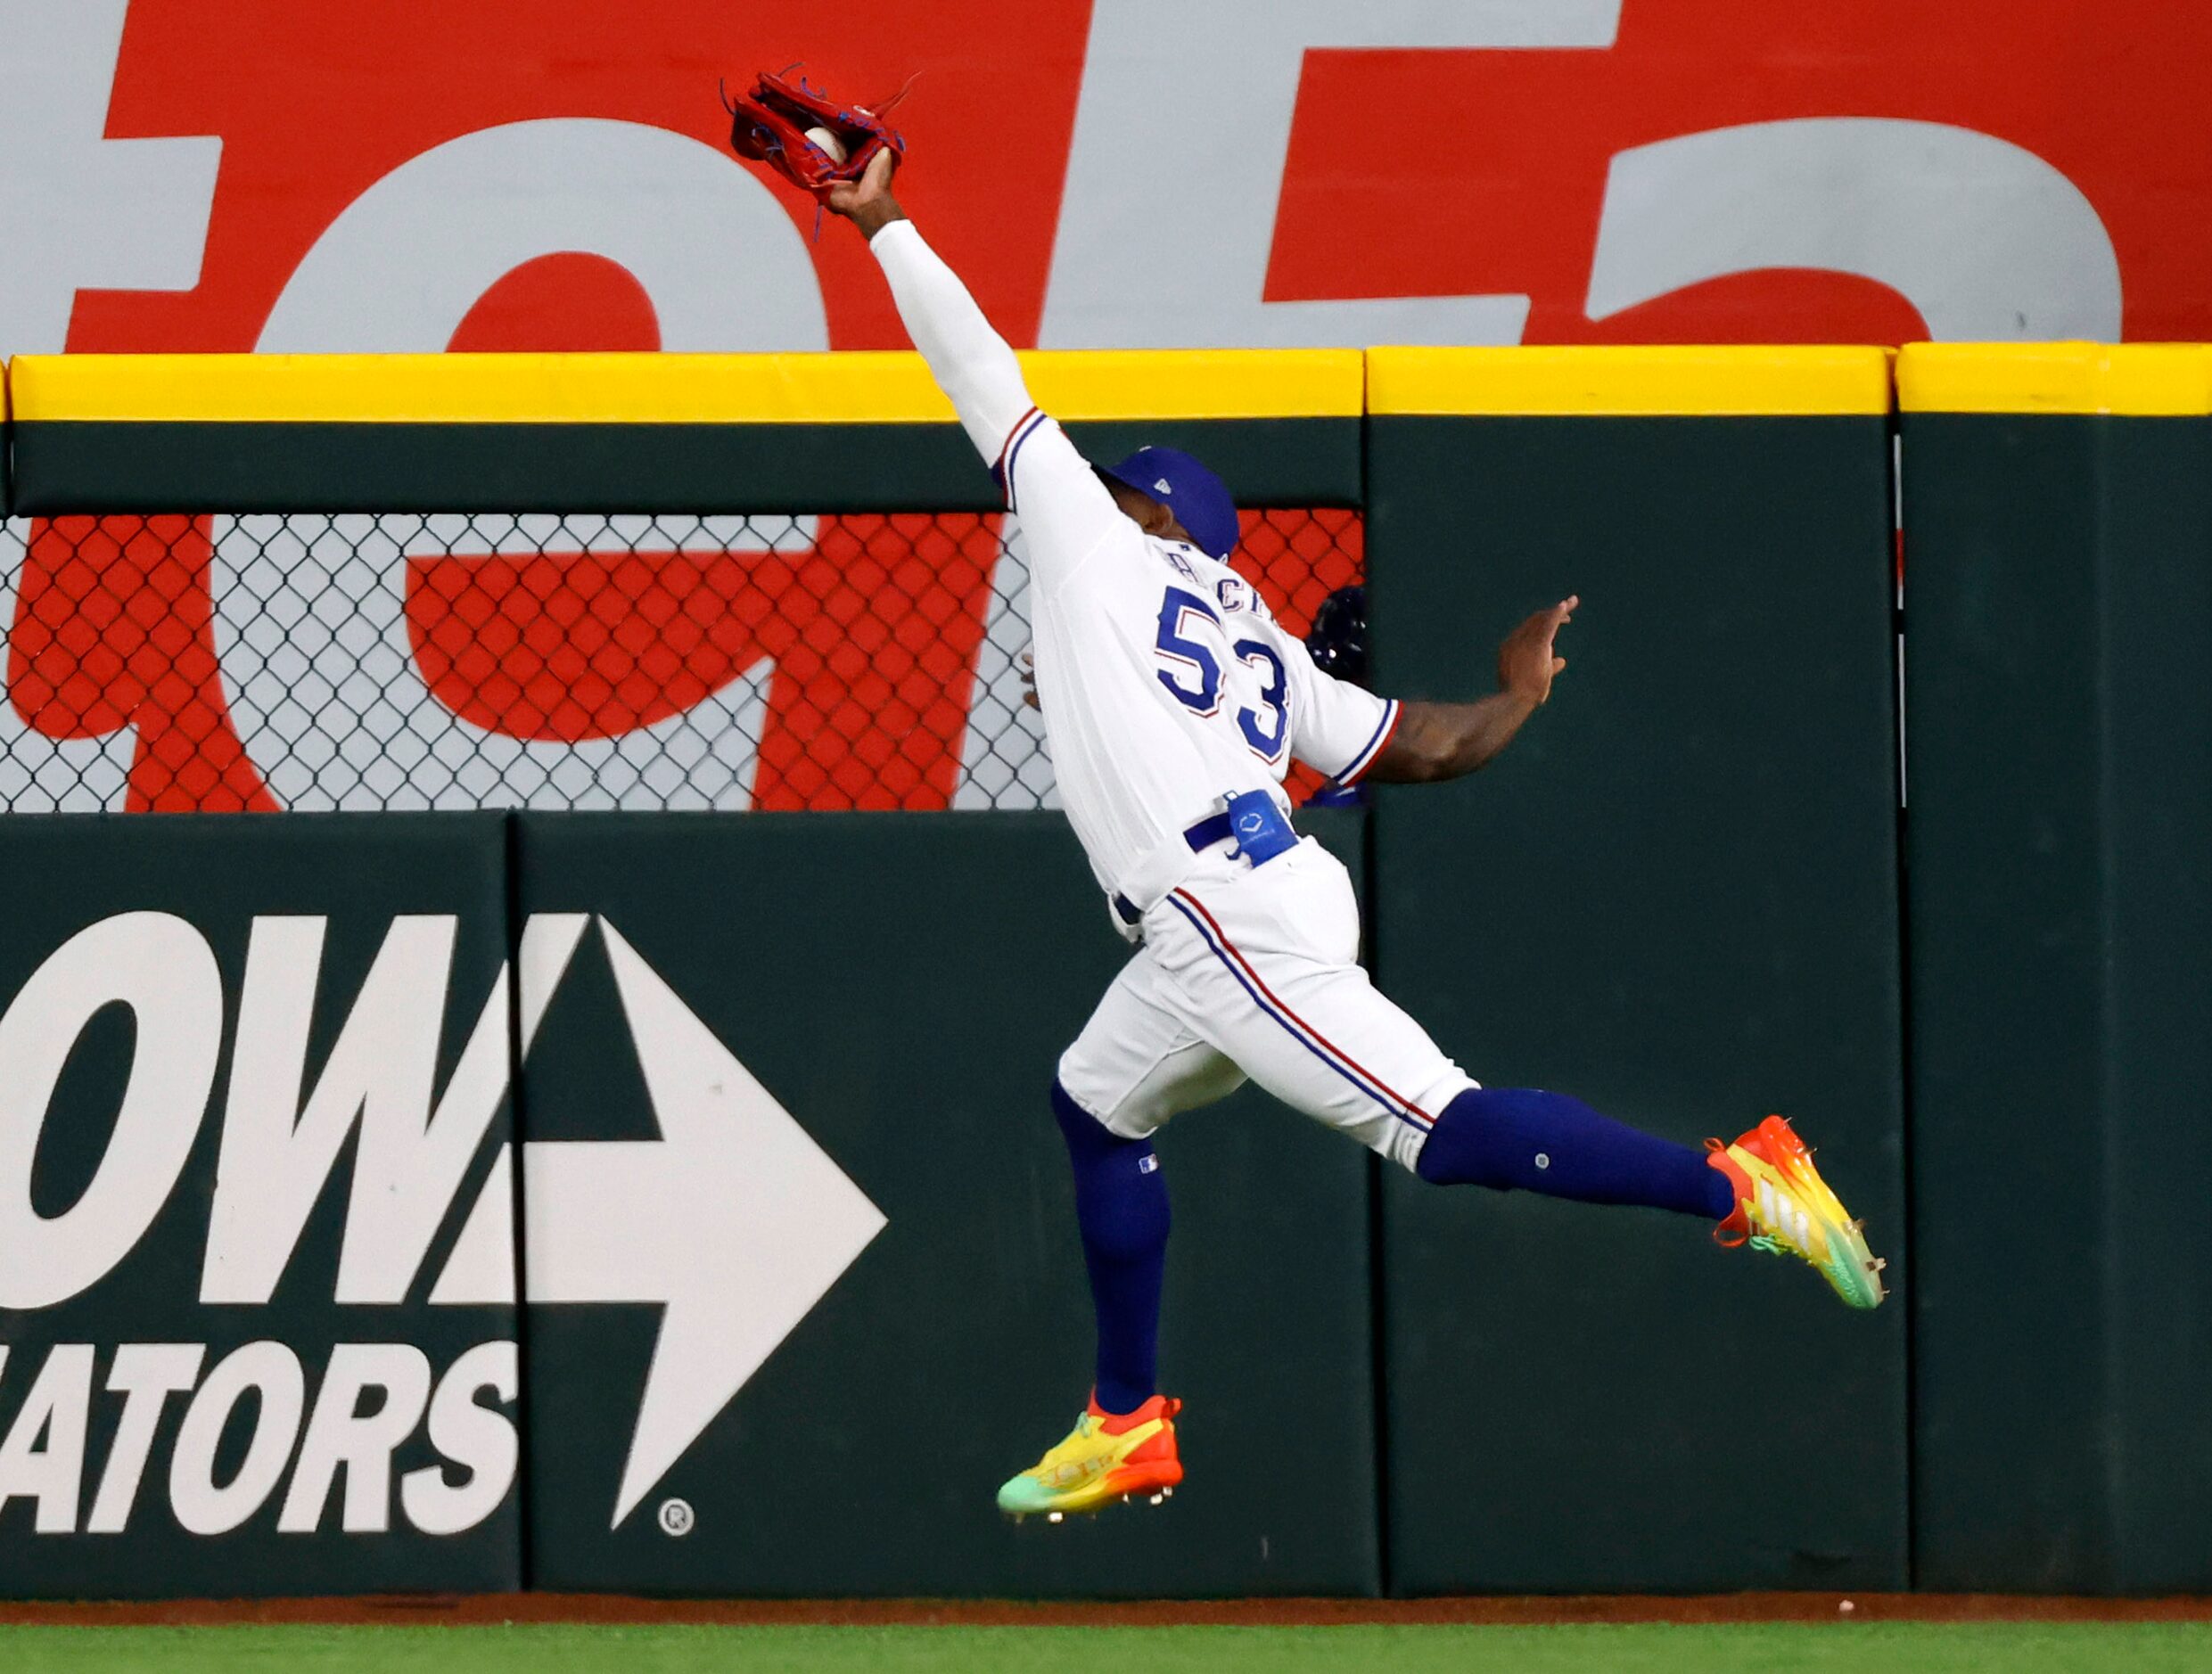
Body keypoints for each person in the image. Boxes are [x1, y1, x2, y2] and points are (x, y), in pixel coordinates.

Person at [825, 150, 1886, 1522]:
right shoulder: (1259, 641)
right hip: (1238, 900)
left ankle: (1736, 1182)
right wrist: (1516, 691)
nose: (1099, 492)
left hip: (1221, 909)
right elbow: (1429, 747)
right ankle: (1124, 1417)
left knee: (1438, 1129)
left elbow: (980, 374)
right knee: (1095, 1099)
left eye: (1126, 490)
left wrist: (886, 224)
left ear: (1157, 519)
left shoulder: (1094, 544)